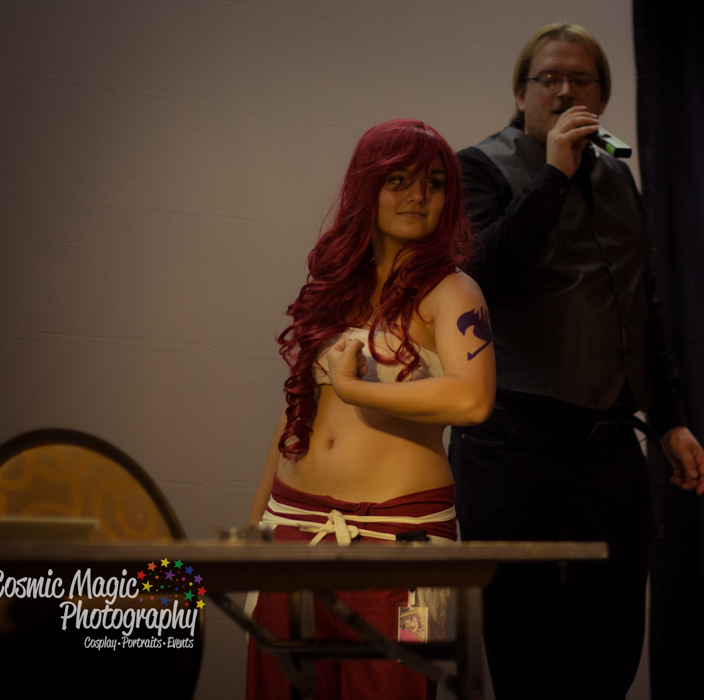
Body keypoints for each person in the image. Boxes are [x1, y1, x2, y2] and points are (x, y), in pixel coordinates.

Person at [449, 22, 704, 699]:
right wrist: (554, 176)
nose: (565, 91)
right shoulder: (476, 167)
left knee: (611, 653)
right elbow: (487, 277)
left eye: (581, 79)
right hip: (516, 448)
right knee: (533, 660)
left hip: (609, 452)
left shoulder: (620, 177)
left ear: (601, 96)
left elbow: (643, 305)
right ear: (521, 93)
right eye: (549, 79)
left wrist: (670, 419)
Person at [246, 118, 496, 700]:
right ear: (367, 187)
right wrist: (255, 533)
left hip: (402, 542)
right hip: (294, 526)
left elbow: (473, 398)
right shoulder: (337, 285)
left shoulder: (453, 291)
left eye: (434, 183)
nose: (418, 195)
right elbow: (296, 410)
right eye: (398, 179)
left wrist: (355, 390)